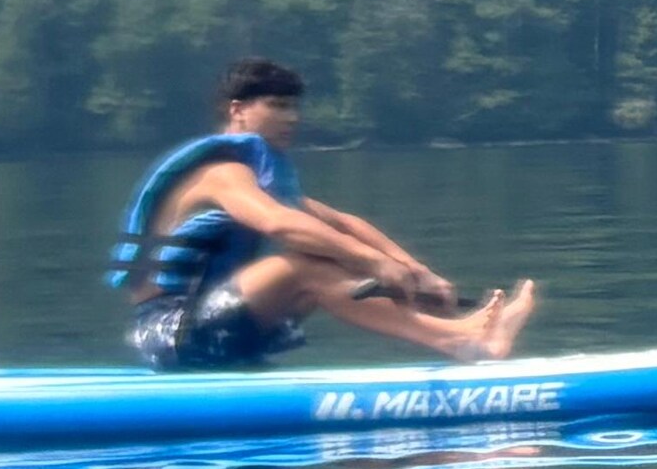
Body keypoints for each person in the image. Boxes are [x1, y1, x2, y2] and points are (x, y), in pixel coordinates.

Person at [110, 60, 536, 370]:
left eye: (295, 107)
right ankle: (463, 341)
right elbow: (281, 225)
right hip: (170, 334)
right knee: (305, 265)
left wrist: (415, 272)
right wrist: (376, 264)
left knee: (328, 255)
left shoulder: (258, 176)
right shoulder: (221, 172)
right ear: (237, 109)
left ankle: (460, 333)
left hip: (208, 330)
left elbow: (339, 223)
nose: (292, 118)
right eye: (277, 106)